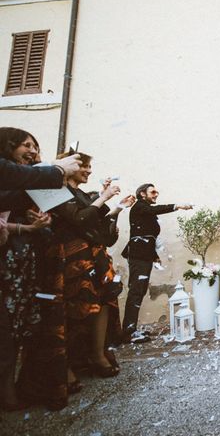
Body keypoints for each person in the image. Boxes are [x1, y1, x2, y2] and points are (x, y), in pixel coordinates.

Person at [19, 151, 133, 410]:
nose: (88, 171)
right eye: (83, 165)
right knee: (72, 310)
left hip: (93, 255)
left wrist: (112, 208)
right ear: (65, 165)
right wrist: (103, 198)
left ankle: (96, 354)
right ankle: (66, 366)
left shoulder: (82, 193)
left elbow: (94, 222)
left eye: (89, 166)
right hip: (70, 258)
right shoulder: (52, 190)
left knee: (102, 303)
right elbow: (79, 219)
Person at [0, 129, 52, 411]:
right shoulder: (12, 182)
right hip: (7, 263)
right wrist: (27, 226)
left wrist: (40, 222)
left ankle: (19, 386)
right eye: (26, 145)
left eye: (35, 146)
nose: (32, 151)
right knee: (6, 331)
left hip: (25, 262)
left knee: (22, 327)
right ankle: (7, 393)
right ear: (8, 147)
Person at [121, 184, 192, 343]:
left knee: (139, 290)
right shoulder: (140, 206)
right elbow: (154, 212)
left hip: (143, 255)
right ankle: (128, 331)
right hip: (138, 256)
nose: (156, 194)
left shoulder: (143, 208)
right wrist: (177, 206)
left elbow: (146, 235)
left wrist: (154, 256)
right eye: (152, 192)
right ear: (142, 194)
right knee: (136, 291)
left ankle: (130, 329)